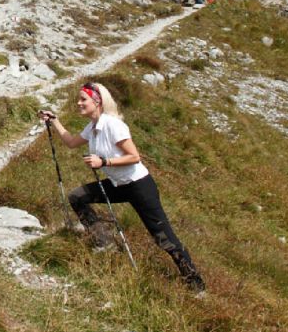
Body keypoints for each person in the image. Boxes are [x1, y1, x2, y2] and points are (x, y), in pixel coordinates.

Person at [37, 82, 205, 291]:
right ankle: (103, 240)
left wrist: (104, 162)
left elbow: (134, 157)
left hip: (139, 186)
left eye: (83, 99)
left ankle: (195, 284)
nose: (79, 103)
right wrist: (54, 121)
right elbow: (71, 142)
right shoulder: (92, 127)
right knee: (77, 196)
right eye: (79, 99)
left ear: (97, 101)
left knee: (163, 238)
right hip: (117, 184)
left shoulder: (112, 125)